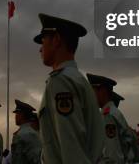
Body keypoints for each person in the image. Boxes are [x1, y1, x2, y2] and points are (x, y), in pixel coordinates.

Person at [34, 13, 104, 164]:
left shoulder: (61, 81)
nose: (40, 49)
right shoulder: (78, 79)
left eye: (44, 39)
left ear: (56, 39)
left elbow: (71, 148)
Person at [86, 73, 135, 164]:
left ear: (103, 90)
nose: (91, 96)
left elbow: (112, 156)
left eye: (93, 91)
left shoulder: (107, 116)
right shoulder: (113, 112)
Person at [10, 99, 41, 164]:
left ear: (21, 115)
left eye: (17, 114)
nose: (15, 117)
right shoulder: (34, 133)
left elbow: (17, 160)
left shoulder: (20, 135)